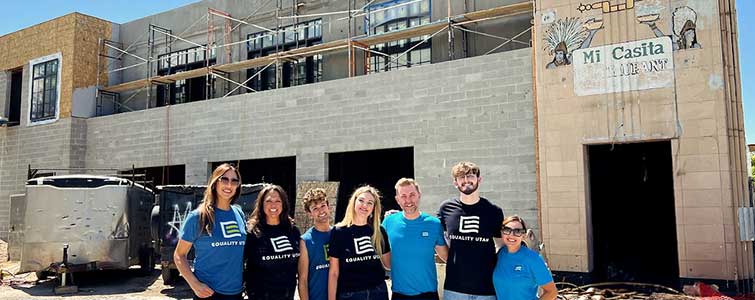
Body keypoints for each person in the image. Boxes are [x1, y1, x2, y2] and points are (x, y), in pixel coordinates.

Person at [175, 163, 246, 300]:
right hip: (209, 293)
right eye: (224, 179)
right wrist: (195, 284)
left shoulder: (239, 213)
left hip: (236, 293)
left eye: (234, 181)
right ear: (214, 183)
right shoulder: (198, 217)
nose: (229, 185)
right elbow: (179, 255)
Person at [438, 161, 504, 300]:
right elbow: (437, 239)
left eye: (470, 176)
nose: (466, 180)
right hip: (454, 288)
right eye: (461, 177)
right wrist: (452, 260)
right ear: (455, 182)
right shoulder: (446, 209)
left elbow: (502, 245)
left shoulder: (493, 211)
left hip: (486, 289)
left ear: (479, 179)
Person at [382, 178, 448, 300]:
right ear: (397, 199)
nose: (408, 200)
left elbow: (446, 256)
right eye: (403, 196)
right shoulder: (388, 223)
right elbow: (386, 263)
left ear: (419, 195)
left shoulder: (434, 224)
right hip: (399, 294)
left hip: (428, 294)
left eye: (412, 195)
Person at [327, 185, 391, 300]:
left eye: (370, 203)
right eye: (361, 200)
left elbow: (389, 265)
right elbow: (334, 272)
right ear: (354, 202)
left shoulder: (379, 231)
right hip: (350, 294)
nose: (365, 205)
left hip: (378, 292)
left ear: (374, 208)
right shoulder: (338, 232)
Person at [244, 184, 300, 300]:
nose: (273, 205)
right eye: (268, 201)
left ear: (283, 204)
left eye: (278, 201)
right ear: (261, 204)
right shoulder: (252, 233)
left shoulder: (293, 230)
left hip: (287, 295)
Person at [493, 216, 557, 300]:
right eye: (507, 230)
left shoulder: (533, 259)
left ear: (523, 236)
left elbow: (552, 292)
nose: (511, 235)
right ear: (502, 232)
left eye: (517, 231)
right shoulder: (499, 254)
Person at [298, 188, 333, 300]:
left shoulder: (338, 235)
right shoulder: (305, 241)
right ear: (309, 213)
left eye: (323, 206)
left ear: (329, 207)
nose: (321, 211)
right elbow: (302, 280)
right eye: (315, 208)